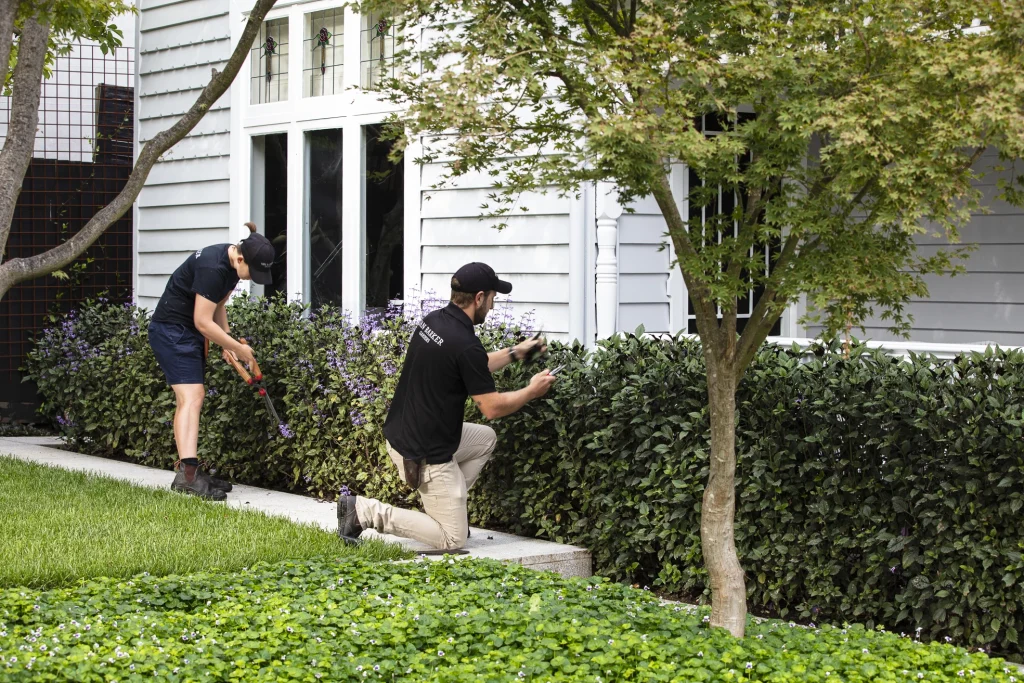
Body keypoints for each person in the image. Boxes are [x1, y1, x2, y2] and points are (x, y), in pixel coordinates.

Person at [337, 262, 557, 549]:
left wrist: (516, 352)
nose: (492, 306)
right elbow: (491, 408)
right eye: (492, 298)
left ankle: (446, 508)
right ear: (479, 297)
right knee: (452, 539)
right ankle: (364, 511)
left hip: (404, 434)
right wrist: (531, 391)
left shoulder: (435, 322)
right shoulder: (464, 342)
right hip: (424, 453)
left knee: (484, 440)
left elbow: (471, 365)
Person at [148, 222, 276, 501]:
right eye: (251, 271)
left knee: (194, 397)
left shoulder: (229, 268)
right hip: (172, 331)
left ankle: (190, 471)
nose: (250, 277)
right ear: (240, 257)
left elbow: (217, 307)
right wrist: (238, 350)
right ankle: (188, 476)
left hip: (186, 331)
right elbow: (202, 321)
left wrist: (228, 342)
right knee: (191, 397)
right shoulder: (212, 268)